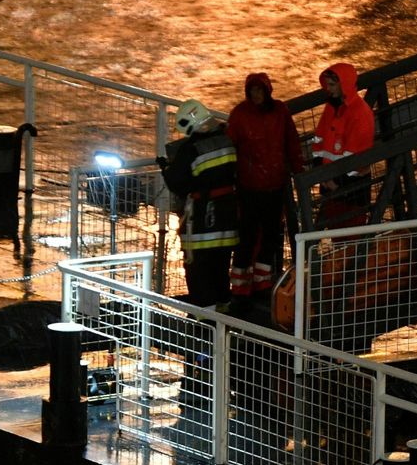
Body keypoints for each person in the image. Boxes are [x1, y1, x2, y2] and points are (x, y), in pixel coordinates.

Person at [226, 72, 303, 301]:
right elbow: (231, 147)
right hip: (249, 186)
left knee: (269, 236)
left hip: (274, 184)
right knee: (247, 237)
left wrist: (298, 169)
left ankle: (261, 284)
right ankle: (240, 288)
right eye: (253, 91)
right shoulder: (240, 115)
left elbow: (291, 141)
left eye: (260, 91)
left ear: (267, 91)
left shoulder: (279, 111)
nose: (256, 95)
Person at [159, 98, 239, 308]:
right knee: (221, 273)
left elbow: (177, 183)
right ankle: (224, 320)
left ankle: (204, 325)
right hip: (227, 222)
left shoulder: (190, 149)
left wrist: (165, 169)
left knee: (199, 277)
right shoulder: (226, 141)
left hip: (202, 224)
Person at [312, 63, 375, 227]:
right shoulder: (332, 108)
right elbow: (319, 141)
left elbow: (359, 157)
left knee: (351, 240)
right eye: (327, 85)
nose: (328, 89)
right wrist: (323, 175)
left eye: (332, 85)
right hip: (333, 186)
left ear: (343, 85)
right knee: (340, 238)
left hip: (350, 190)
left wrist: (333, 181)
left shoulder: (359, 113)